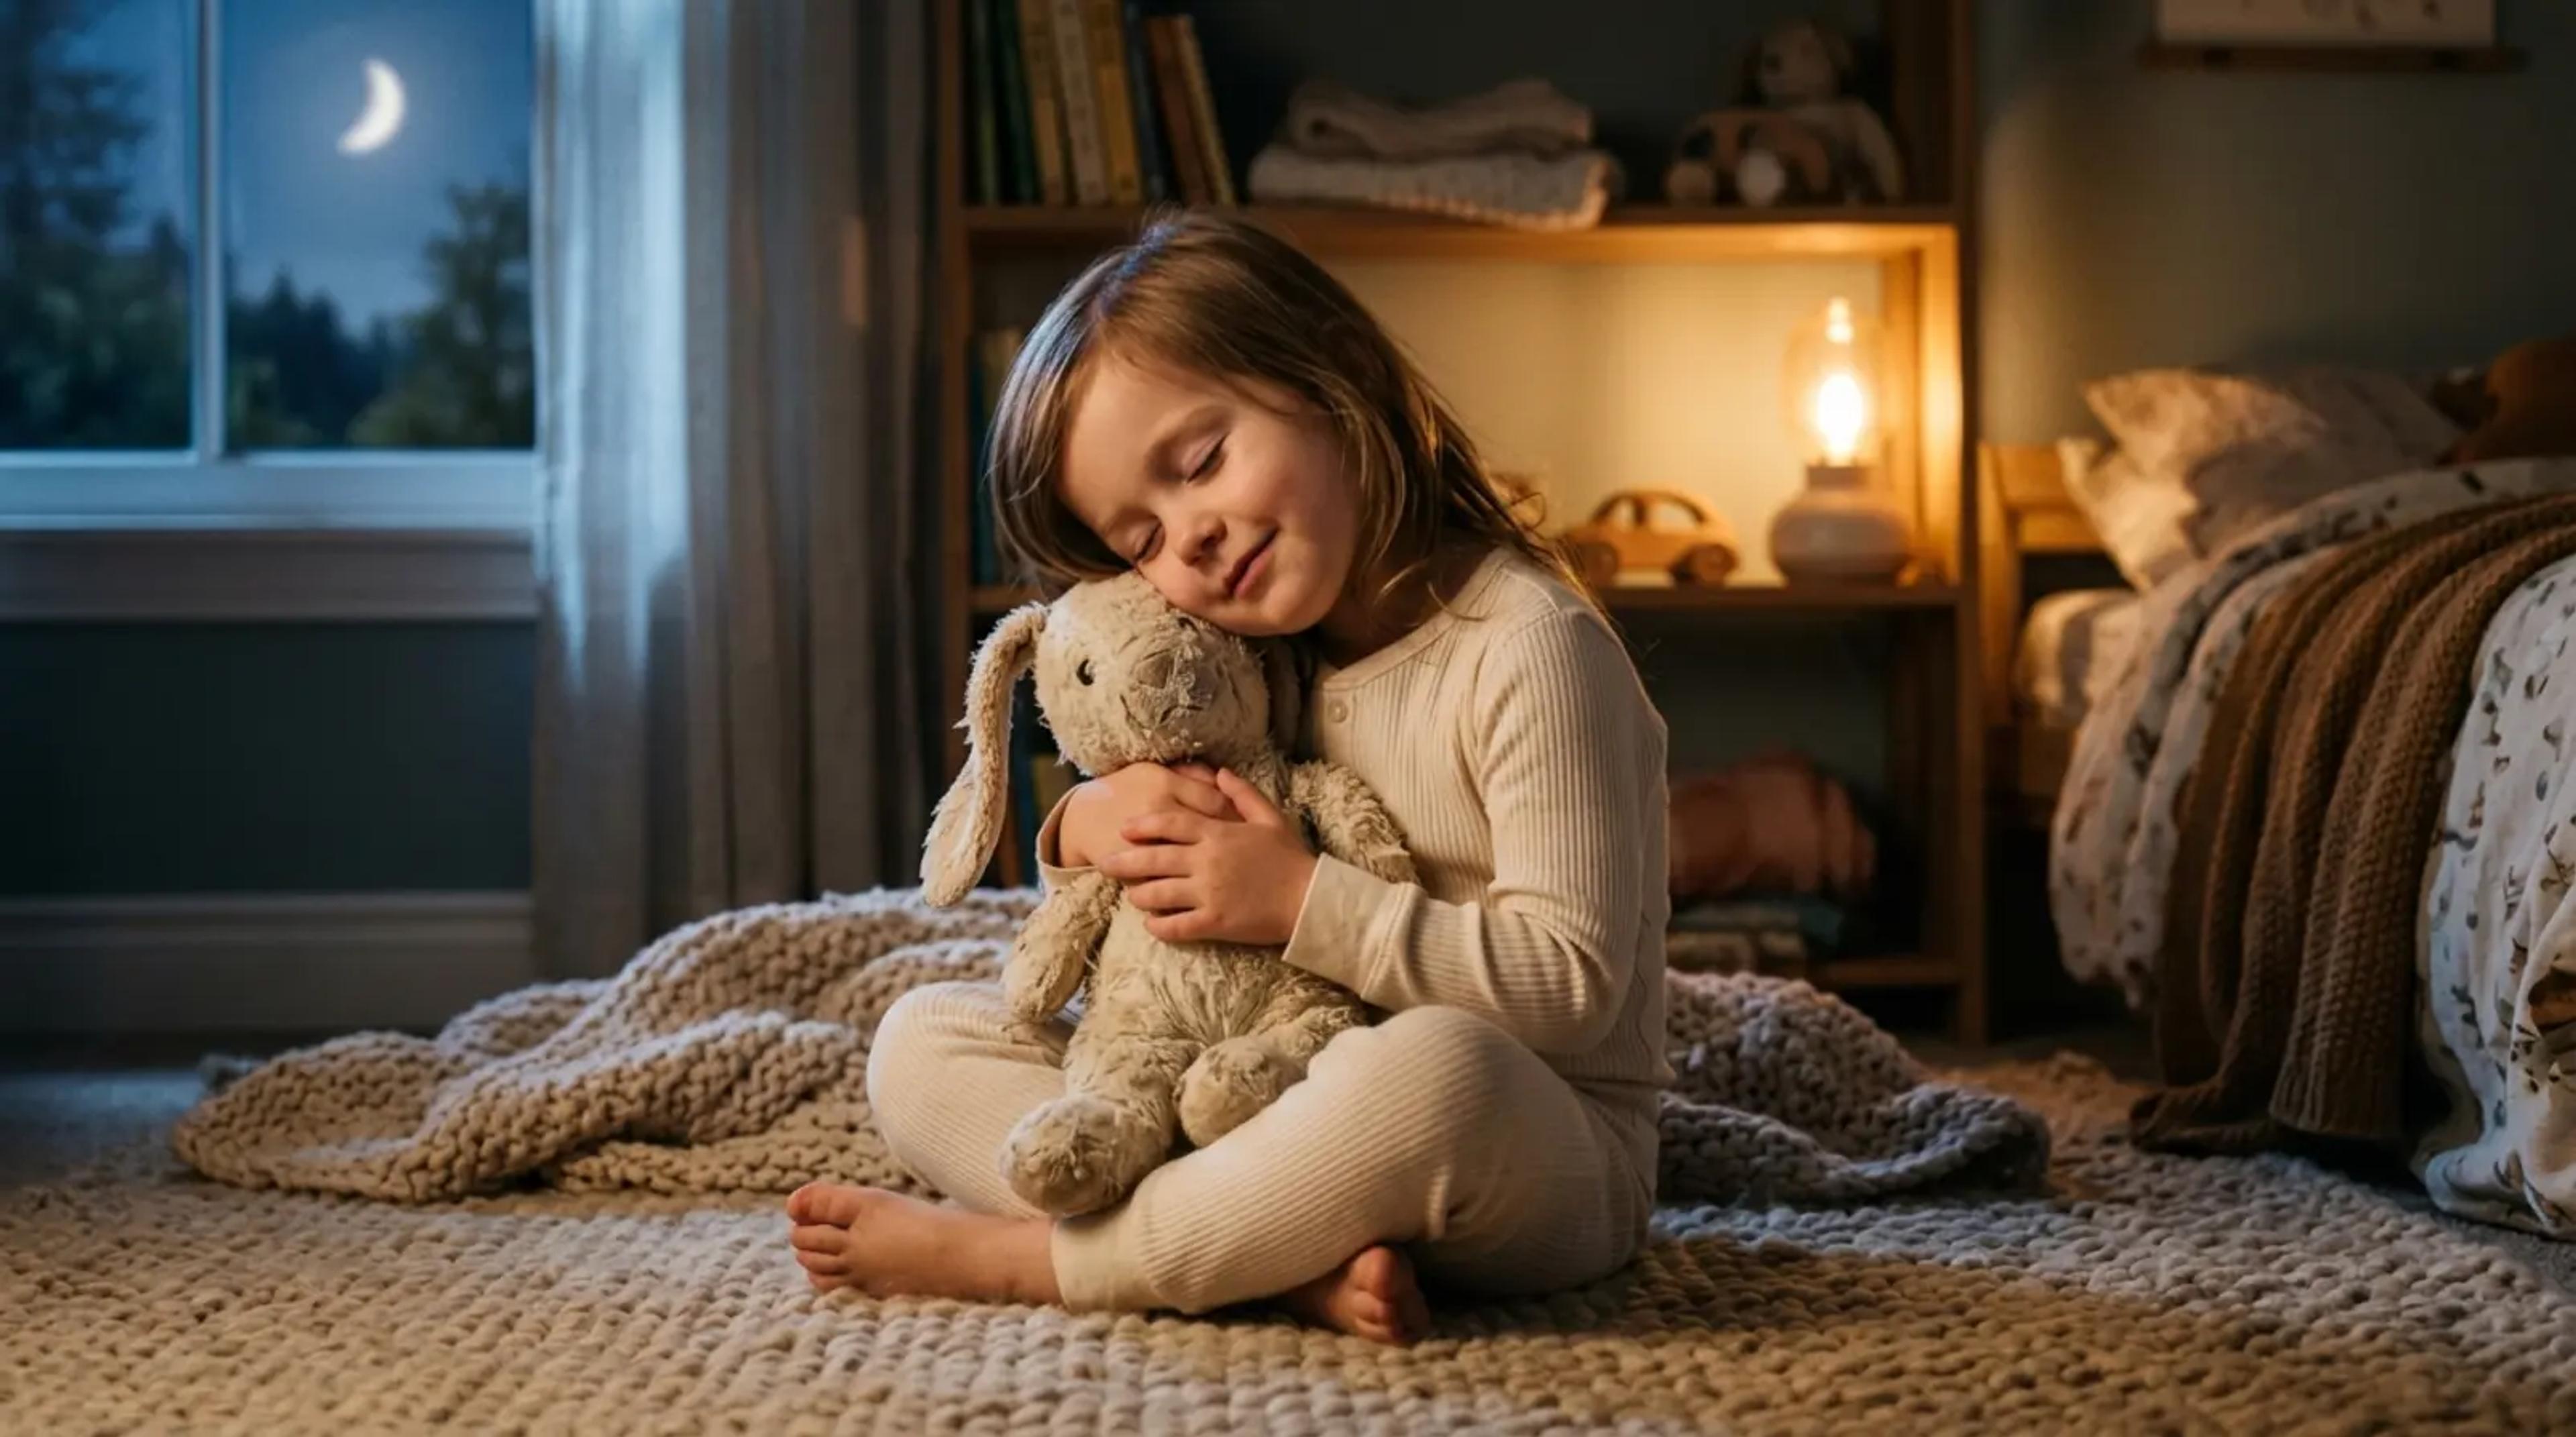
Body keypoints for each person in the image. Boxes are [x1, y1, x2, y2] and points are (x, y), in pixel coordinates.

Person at [786, 209, 1670, 1346]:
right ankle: (1272, 1252)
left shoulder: (1529, 647)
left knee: (1434, 1068)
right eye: (1142, 540)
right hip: (1251, 1094)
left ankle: (1050, 1262)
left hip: (1536, 1139)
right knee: (921, 1036)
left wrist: (1300, 899)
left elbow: (1570, 986)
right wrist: (1087, 823)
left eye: (1202, 463)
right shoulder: (1255, 662)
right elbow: (1147, 899)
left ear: (1333, 379)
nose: (1190, 538)